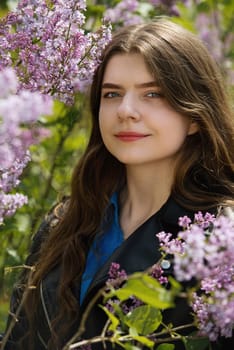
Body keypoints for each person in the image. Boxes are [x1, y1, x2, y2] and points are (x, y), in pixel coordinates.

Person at [2, 18, 234, 350]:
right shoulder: (64, 223)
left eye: (152, 93)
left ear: (195, 116)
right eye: (112, 94)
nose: (125, 110)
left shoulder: (221, 241)